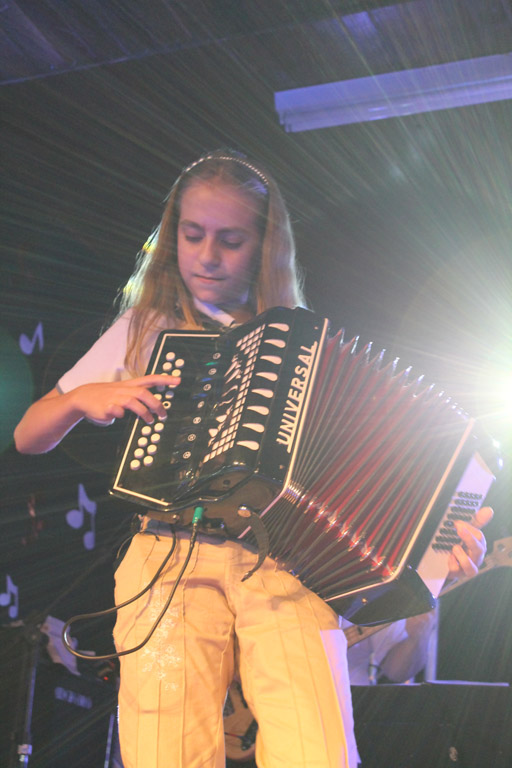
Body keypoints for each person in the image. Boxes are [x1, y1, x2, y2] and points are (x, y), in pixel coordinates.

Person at [14, 149, 491, 768]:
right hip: (167, 558)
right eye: (192, 235)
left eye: (231, 240)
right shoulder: (146, 327)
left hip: (284, 564)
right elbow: (29, 435)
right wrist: (80, 399)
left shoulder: (305, 347)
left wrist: (435, 548)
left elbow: (365, 487)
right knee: (167, 753)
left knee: (318, 751)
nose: (207, 255)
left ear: (265, 246)